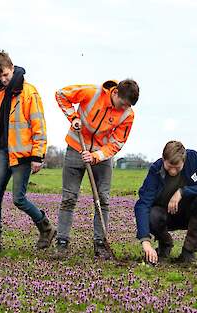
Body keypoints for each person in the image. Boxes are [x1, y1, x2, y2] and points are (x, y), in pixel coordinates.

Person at [54, 79, 139, 260]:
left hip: (102, 155)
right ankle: (62, 241)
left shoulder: (128, 115)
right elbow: (61, 94)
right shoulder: (91, 92)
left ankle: (100, 243)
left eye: (128, 106)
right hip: (76, 148)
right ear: (115, 93)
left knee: (103, 199)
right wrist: (73, 117)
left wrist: (96, 156)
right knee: (69, 197)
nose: (124, 108)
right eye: (123, 104)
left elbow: (117, 142)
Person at [0, 50, 54, 254]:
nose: (3, 79)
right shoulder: (2, 93)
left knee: (18, 199)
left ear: (12, 68)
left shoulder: (29, 92)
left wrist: (38, 155)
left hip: (23, 154)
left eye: (5, 74)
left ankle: (46, 228)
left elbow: (38, 124)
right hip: (4, 151)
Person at [134, 141, 197, 264]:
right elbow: (143, 204)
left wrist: (182, 191)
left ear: (184, 160)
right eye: (169, 167)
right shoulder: (155, 170)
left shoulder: (193, 159)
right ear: (163, 159)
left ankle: (188, 252)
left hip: (189, 214)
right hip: (165, 215)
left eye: (177, 167)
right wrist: (145, 241)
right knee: (152, 215)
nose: (173, 171)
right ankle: (165, 244)